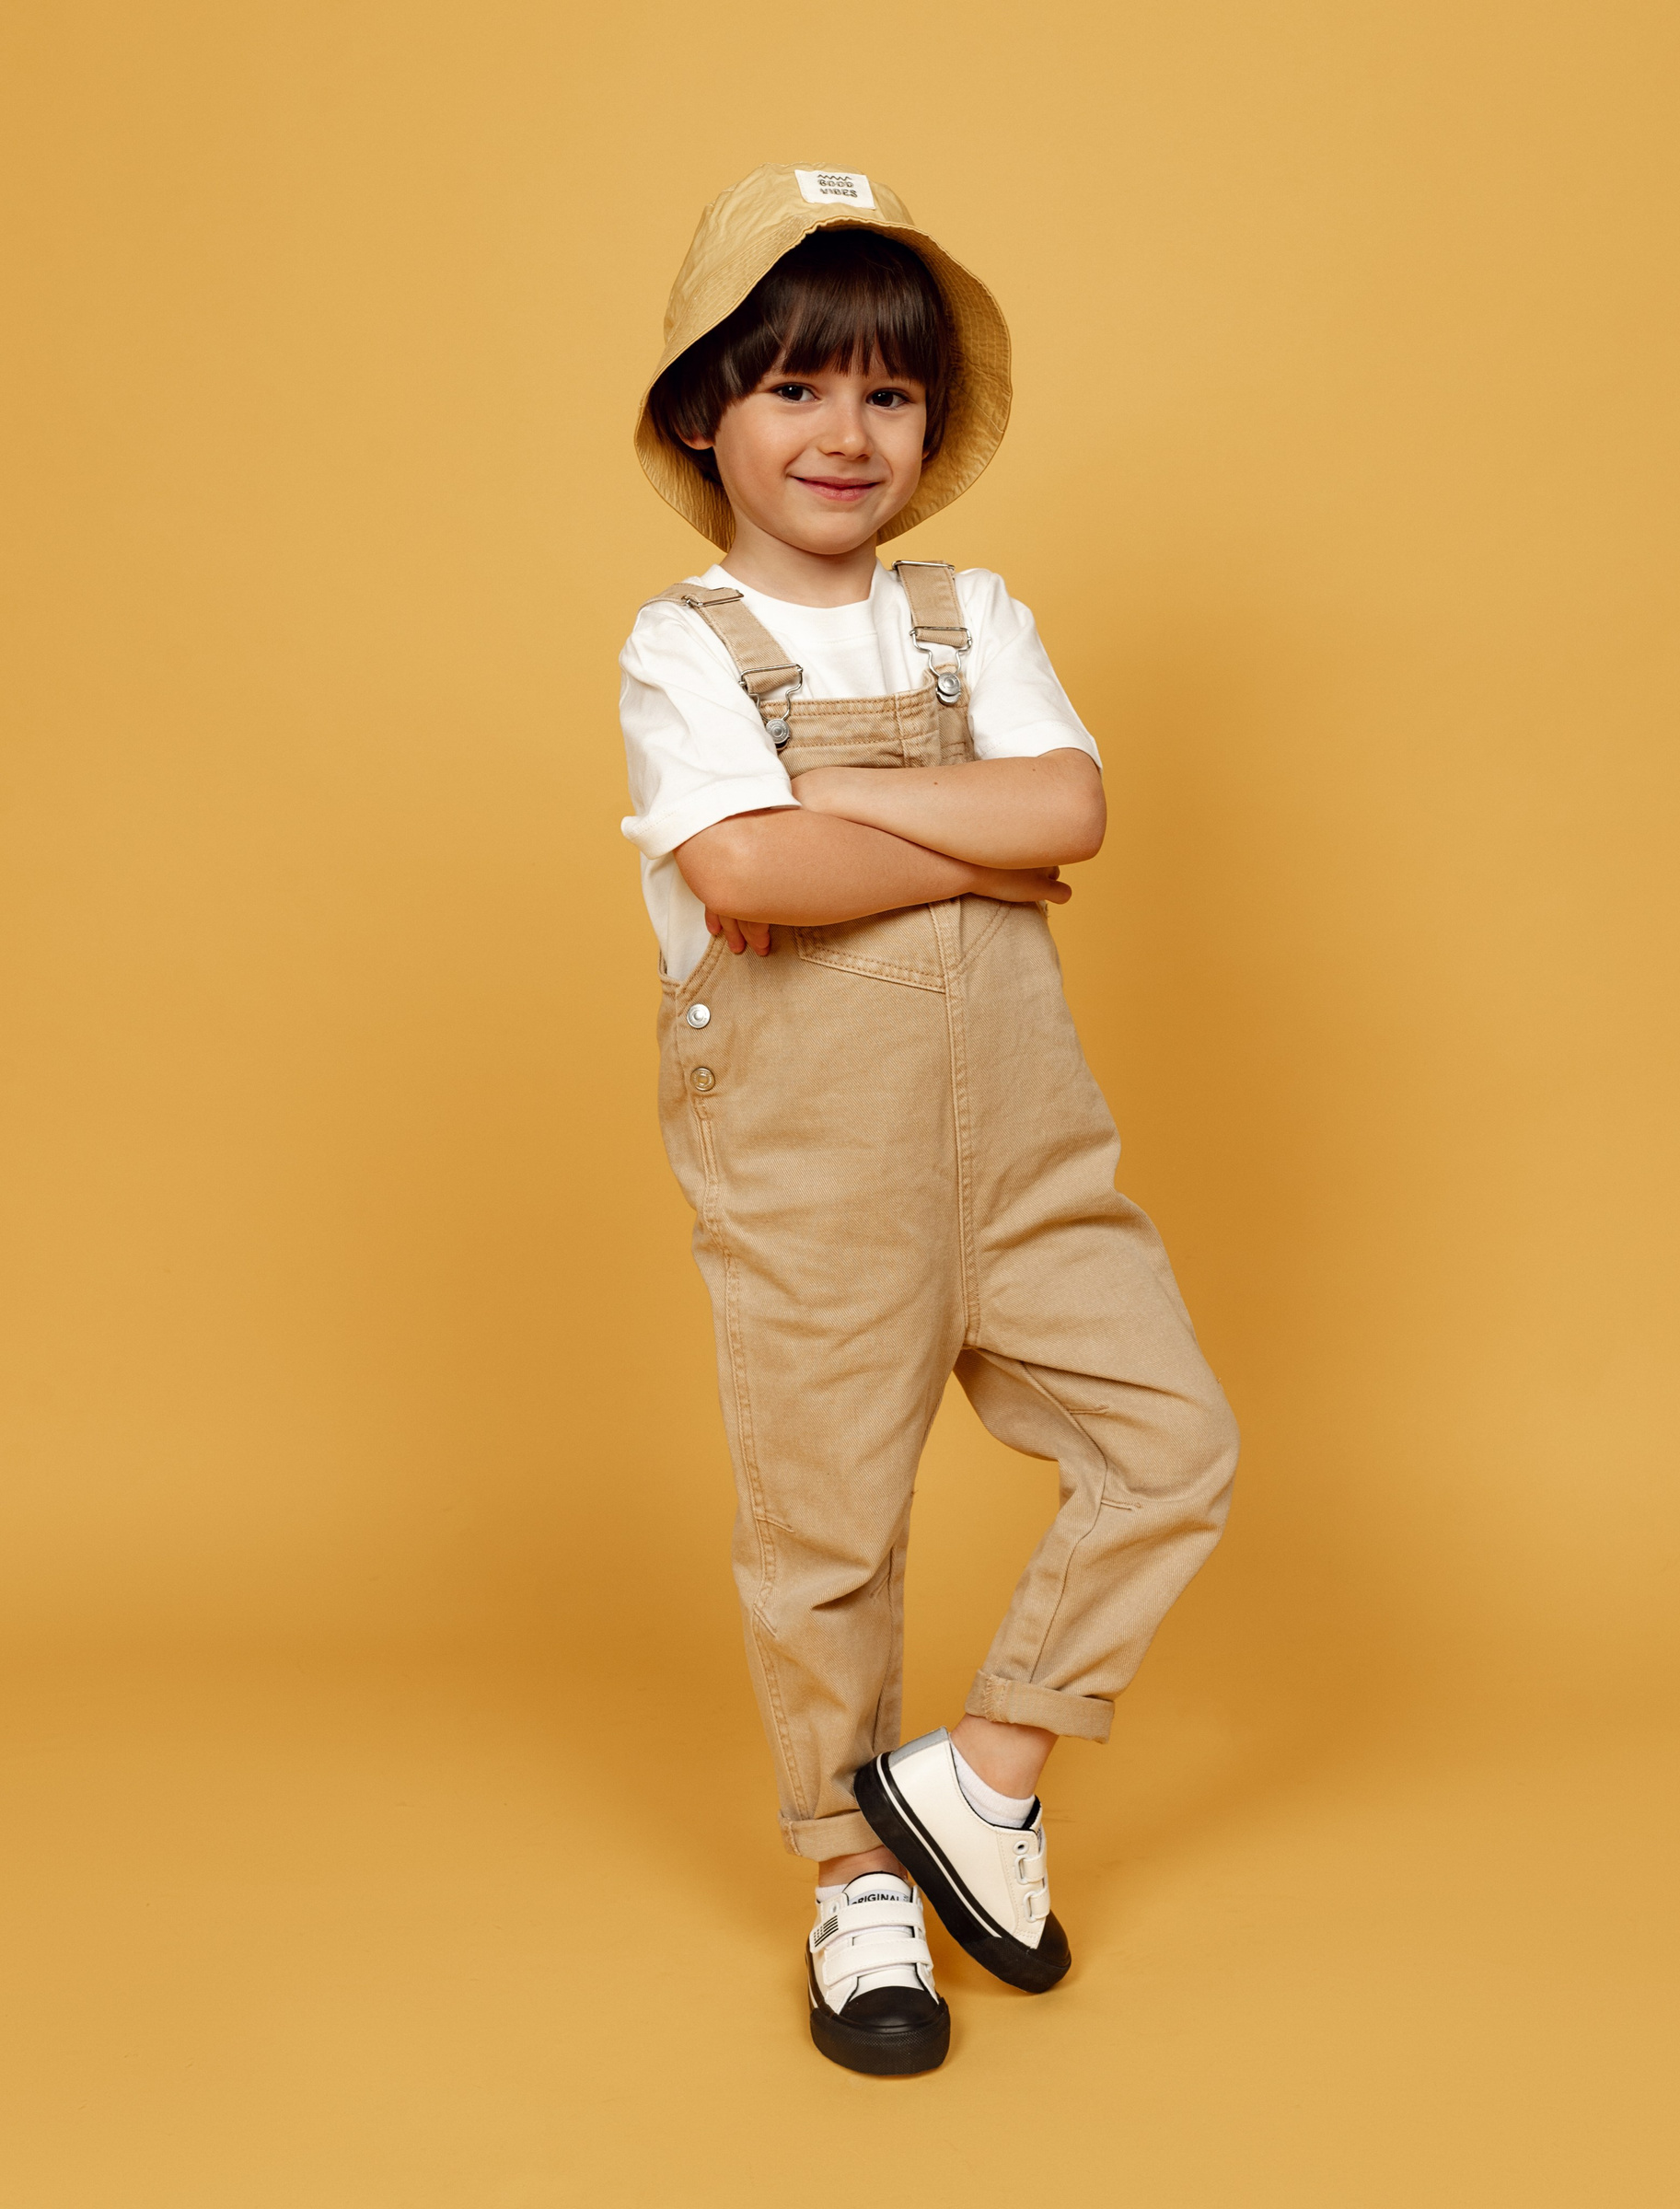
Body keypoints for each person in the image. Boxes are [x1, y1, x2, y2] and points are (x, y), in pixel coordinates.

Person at [619, 164, 1238, 2076]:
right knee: (828, 1532)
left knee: (1171, 1444)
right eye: (795, 385)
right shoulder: (685, 645)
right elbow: (743, 868)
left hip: (1034, 1161)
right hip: (815, 1174)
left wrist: (833, 814)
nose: (846, 431)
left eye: (889, 392)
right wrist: (962, 840)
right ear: (705, 413)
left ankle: (979, 1778)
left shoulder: (976, 615)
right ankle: (852, 1875)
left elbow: (1072, 812)